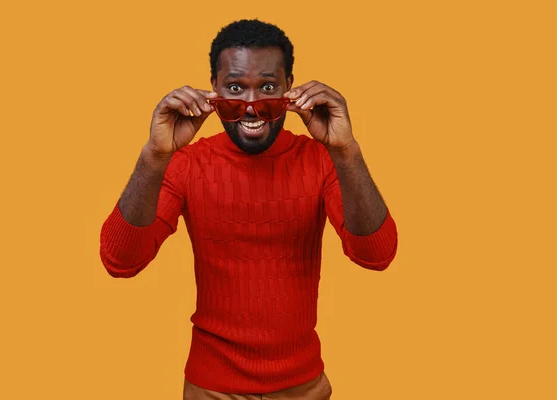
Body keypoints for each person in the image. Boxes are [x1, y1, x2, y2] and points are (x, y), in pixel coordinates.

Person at [99, 19, 398, 399]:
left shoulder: (322, 160)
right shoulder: (186, 163)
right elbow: (120, 260)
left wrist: (346, 150)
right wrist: (154, 156)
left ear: (291, 87)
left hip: (302, 388)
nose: (252, 106)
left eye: (268, 87)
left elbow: (377, 254)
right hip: (211, 388)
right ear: (215, 89)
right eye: (236, 88)